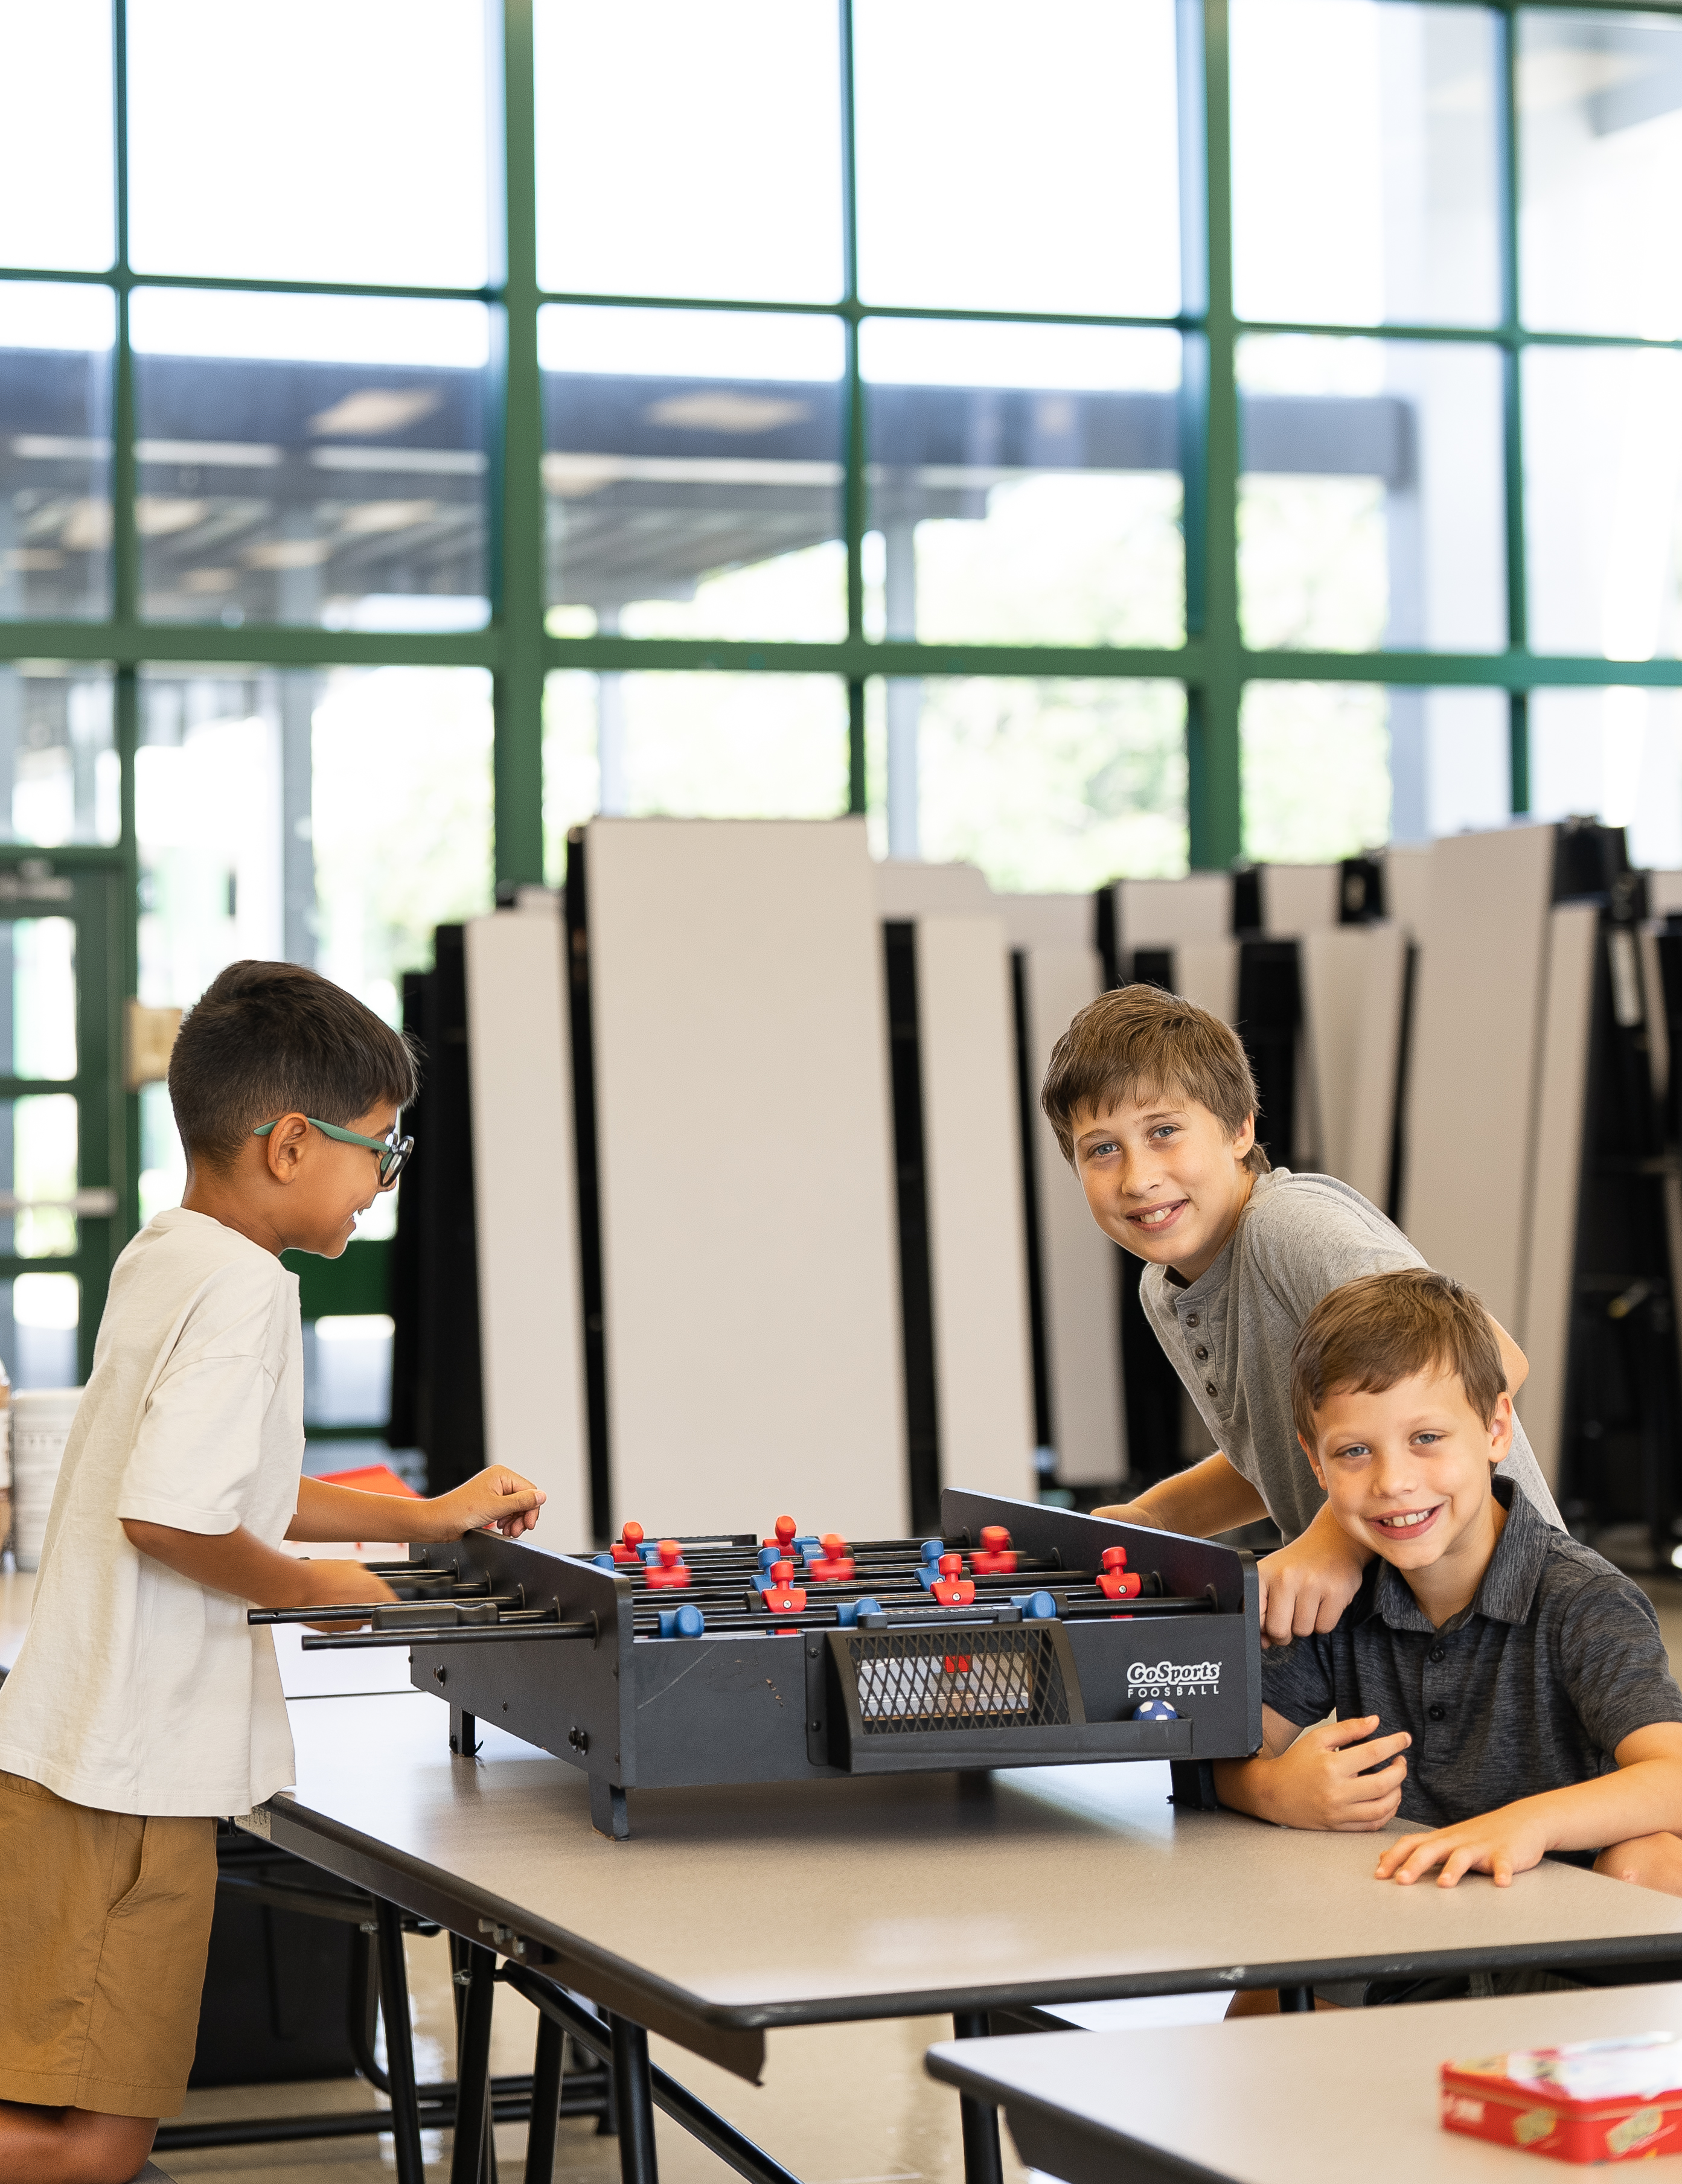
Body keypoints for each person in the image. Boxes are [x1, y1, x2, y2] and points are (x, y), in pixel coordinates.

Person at [0, 960, 546, 2184]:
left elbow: (230, 1487)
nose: (385, 1184)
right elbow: (169, 1517)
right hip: (121, 1788)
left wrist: (429, 1521)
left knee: (74, 2129)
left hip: (83, 1759)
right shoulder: (248, 1293)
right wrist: (322, 1592)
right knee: (92, 2151)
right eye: (383, 1154)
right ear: (294, 1143)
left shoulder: (170, 1250)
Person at [1212, 1268, 1682, 2005]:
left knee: (1649, 1864)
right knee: (1264, 2001)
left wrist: (1524, 1826)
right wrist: (1273, 1787)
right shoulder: (1342, 1591)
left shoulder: (1582, 1600)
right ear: (1314, 1459)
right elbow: (1221, 1750)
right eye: (1353, 1452)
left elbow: (1675, 1776)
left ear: (1496, 1430)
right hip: (1415, 1928)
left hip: (1562, 1946)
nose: (1394, 1482)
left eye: (1426, 1438)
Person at [1038, 982, 1561, 1644]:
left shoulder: (1289, 1226)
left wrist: (1334, 1542)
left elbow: (1495, 1363)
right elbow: (1283, 1456)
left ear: (1239, 1129)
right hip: (1387, 1629)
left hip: (1505, 1618)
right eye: (1101, 1148)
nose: (1137, 1177)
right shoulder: (1163, 1289)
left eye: (1164, 1132)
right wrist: (1155, 1518)